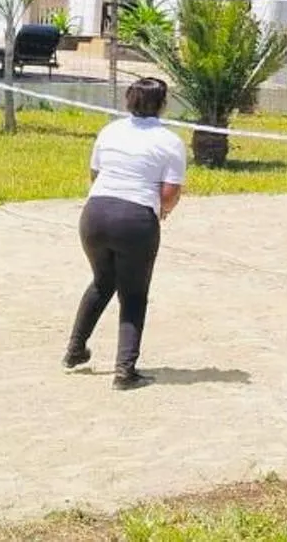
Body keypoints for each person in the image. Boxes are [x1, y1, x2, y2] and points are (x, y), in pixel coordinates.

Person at [63, 78, 187, 390]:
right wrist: (162, 212)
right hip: (135, 219)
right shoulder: (170, 141)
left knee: (102, 282)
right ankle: (125, 371)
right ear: (161, 104)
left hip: (95, 214)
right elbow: (170, 192)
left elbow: (95, 174)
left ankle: (75, 351)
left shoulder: (110, 131)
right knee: (133, 295)